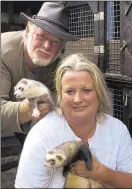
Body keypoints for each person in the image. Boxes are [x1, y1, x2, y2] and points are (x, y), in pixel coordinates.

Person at [15, 53, 132, 188]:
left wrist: (99, 172)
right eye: (70, 91)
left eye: (86, 90)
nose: (77, 99)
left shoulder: (117, 130)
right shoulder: (42, 134)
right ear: (59, 96)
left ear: (99, 93)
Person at [1, 2, 79, 139]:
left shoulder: (57, 64)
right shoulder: (4, 52)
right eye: (41, 36)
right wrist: (33, 107)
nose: (47, 46)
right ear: (27, 31)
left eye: (55, 42)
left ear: (62, 46)